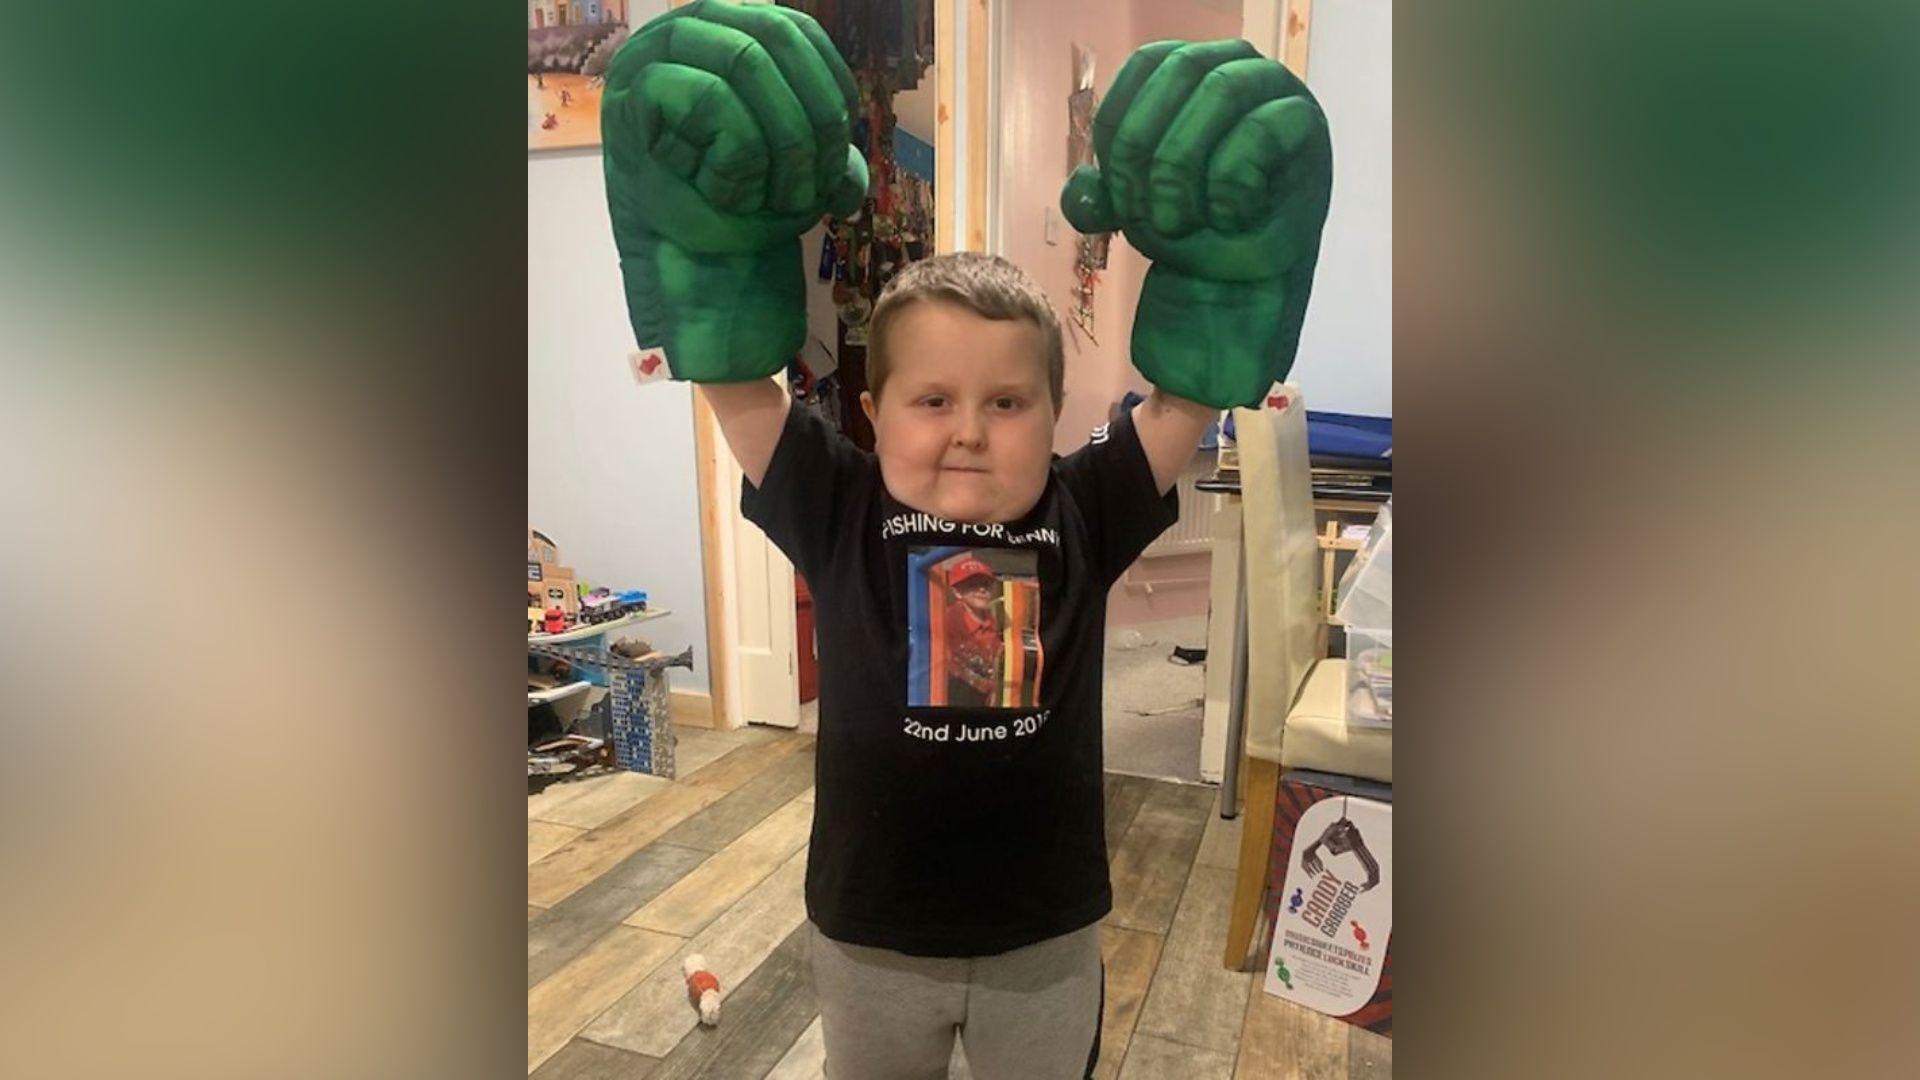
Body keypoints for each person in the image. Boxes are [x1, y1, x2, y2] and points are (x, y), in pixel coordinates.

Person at [601, 4, 1330, 1076]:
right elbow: (739, 388)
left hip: (1044, 935)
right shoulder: (838, 506)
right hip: (871, 931)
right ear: (872, 411)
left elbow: (1185, 401)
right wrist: (708, 263)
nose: (969, 432)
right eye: (933, 399)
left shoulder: (1084, 508)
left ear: (1056, 412)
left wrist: (1228, 290)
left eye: (1008, 402)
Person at [942, 556, 1004, 707]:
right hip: (953, 690)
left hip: (982, 692)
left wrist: (993, 689)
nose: (981, 589)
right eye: (972, 585)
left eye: (986, 584)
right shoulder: (947, 619)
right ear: (957, 592)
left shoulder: (993, 621)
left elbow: (993, 661)